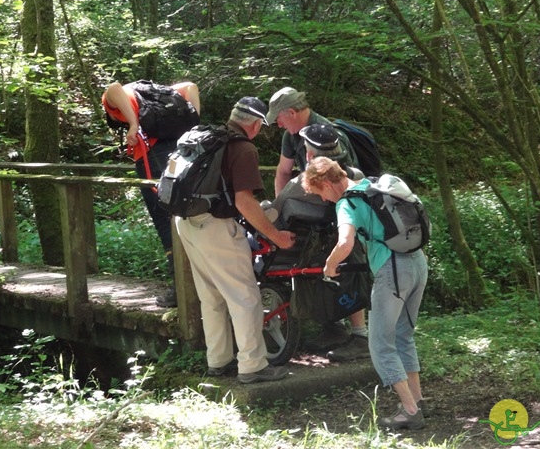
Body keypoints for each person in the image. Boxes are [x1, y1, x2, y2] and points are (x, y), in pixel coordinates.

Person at [175, 96, 295, 384]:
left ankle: (218, 361)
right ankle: (252, 366)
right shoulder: (241, 148)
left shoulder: (206, 137)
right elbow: (244, 201)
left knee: (211, 296)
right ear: (254, 124)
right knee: (245, 297)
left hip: (185, 222)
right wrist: (275, 235)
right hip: (215, 226)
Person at [301, 157, 428, 430]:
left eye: (319, 192)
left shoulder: (347, 202)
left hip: (393, 272)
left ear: (325, 183)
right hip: (418, 263)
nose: (322, 199)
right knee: (403, 335)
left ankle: (409, 410)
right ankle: (418, 401)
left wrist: (330, 265)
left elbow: (345, 242)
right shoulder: (372, 185)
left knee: (380, 344)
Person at [270, 123, 369, 361]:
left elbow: (275, 215)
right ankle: (351, 331)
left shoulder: (300, 185)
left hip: (307, 248)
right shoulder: (355, 177)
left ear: (309, 155)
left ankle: (351, 333)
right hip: (346, 245)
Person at [102, 80, 201, 307]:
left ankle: (180, 290)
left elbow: (113, 88)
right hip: (184, 155)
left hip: (153, 158)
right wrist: (194, 126)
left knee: (166, 222)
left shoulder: (122, 98)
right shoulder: (162, 94)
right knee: (191, 216)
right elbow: (191, 87)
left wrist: (134, 124)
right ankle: (199, 284)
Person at [266, 87, 359, 195]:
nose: (279, 125)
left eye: (278, 118)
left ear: (292, 113)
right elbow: (283, 172)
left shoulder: (329, 136)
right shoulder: (290, 136)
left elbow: (346, 180)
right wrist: (279, 206)